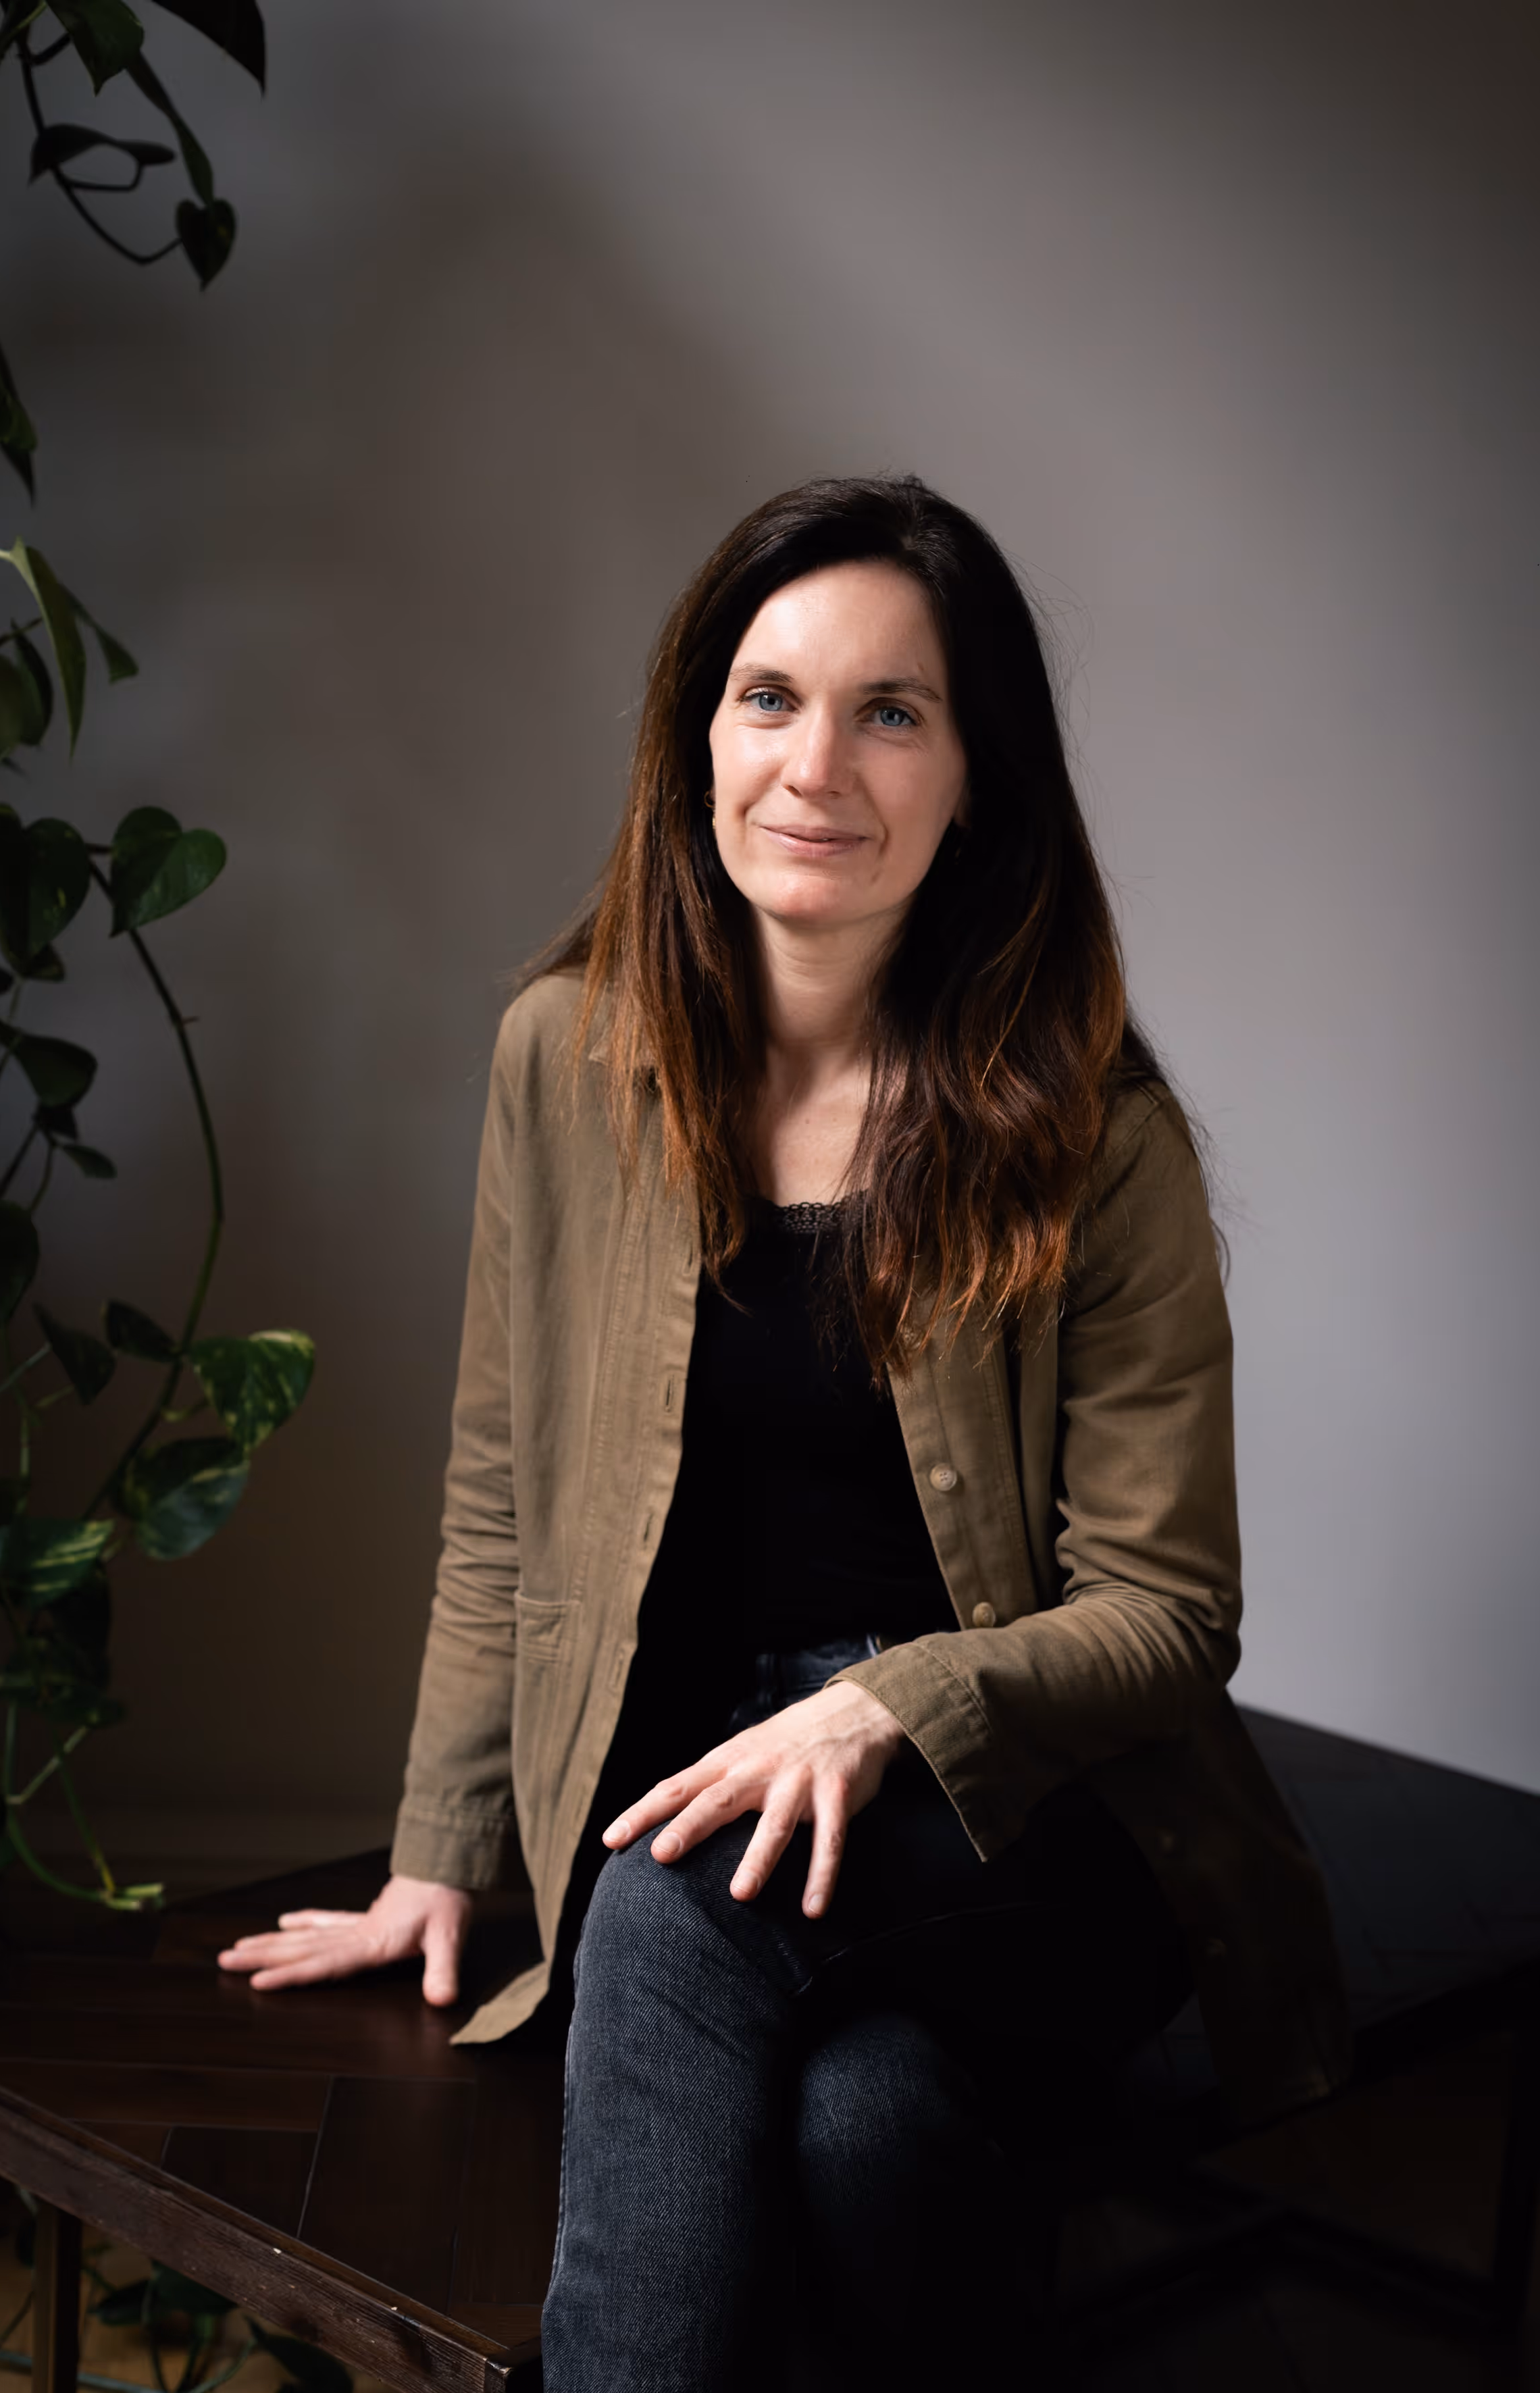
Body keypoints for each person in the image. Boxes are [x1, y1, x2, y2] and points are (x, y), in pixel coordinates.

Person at [218, 475, 1350, 2388]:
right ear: (696, 735)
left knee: (668, 1909)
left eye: (891, 709)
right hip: (709, 1779)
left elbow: (1168, 1616)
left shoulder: (1099, 1138)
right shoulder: (562, 1056)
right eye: (769, 696)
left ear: (976, 774)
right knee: (870, 2129)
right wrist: (440, 1848)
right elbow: (504, 1481)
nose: (816, 763)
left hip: (1044, 1827)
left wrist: (888, 1703)